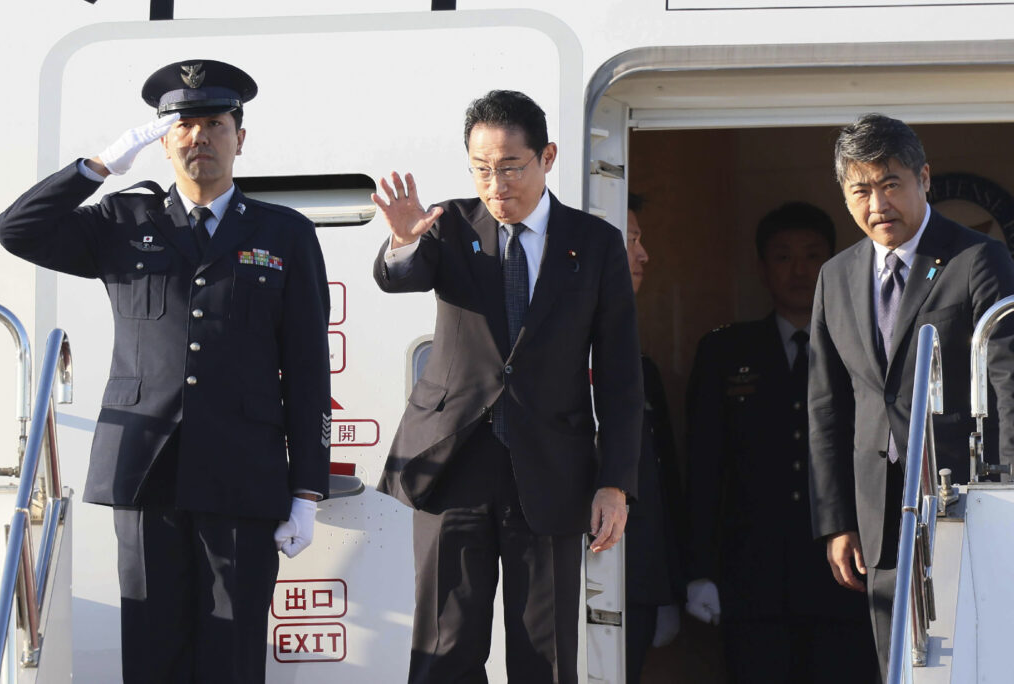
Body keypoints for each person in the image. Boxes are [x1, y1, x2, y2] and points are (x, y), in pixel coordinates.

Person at [0, 59, 331, 683]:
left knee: (232, 658)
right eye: (182, 124)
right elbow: (15, 230)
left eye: (213, 123)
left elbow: (309, 367)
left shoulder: (284, 233)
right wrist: (97, 167)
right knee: (152, 654)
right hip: (146, 472)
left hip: (243, 473)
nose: (198, 136)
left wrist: (306, 490)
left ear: (240, 137)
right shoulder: (124, 220)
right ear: (162, 138)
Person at [371, 89, 643, 683]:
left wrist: (615, 483)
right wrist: (404, 240)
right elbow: (400, 276)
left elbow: (622, 376)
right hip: (454, 465)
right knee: (444, 651)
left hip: (549, 469)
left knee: (543, 657)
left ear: (546, 157)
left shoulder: (594, 244)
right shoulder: (445, 227)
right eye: (481, 169)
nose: (496, 185)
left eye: (511, 167)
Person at [809, 113, 1014, 680]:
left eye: (891, 184)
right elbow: (828, 406)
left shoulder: (977, 259)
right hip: (878, 516)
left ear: (924, 178)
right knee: (898, 663)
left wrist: (1009, 496)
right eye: (861, 190)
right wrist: (837, 520)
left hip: (965, 503)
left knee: (966, 658)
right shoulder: (835, 276)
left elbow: (1008, 384)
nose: (878, 205)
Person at [684, 202, 877, 683]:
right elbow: (704, 466)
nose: (799, 270)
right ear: (762, 267)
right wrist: (698, 569)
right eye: (783, 257)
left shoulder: (864, 347)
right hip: (753, 576)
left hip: (843, 575)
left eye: (813, 256)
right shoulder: (726, 351)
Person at [623, 193, 685, 683]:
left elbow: (664, 482)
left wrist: (668, 584)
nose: (643, 254)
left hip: (639, 581)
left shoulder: (640, 367)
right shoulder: (560, 354)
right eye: (633, 239)